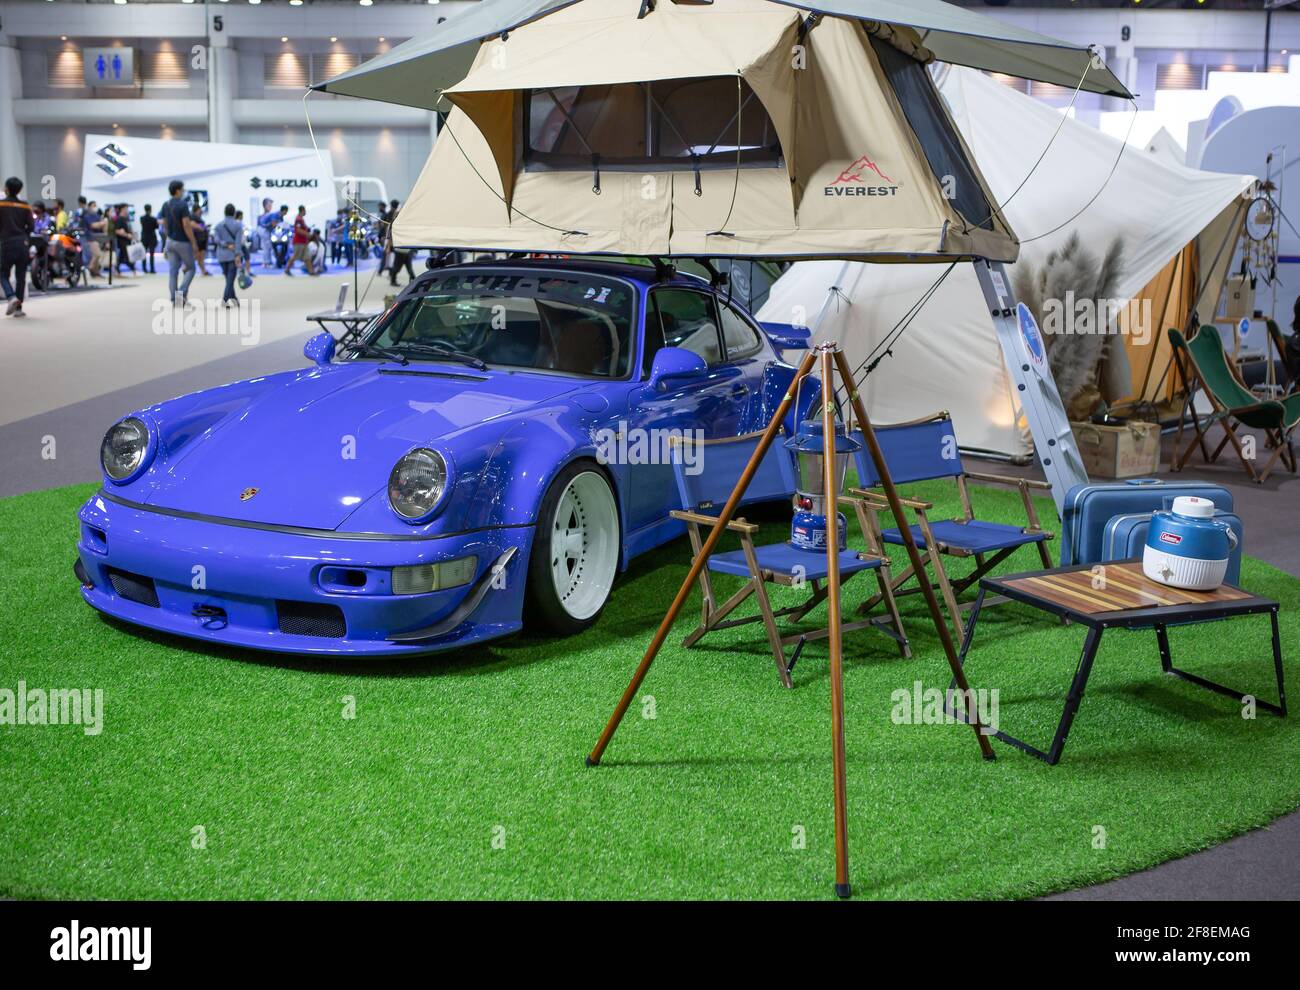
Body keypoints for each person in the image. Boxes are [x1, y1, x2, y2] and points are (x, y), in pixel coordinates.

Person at [160, 179, 198, 306]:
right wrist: (193, 242)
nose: (183, 191)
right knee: (191, 268)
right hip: (182, 242)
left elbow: (164, 224)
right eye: (182, 189)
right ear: (177, 190)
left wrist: (167, 239)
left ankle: (173, 299)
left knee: (173, 272)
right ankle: (181, 294)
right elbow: (186, 225)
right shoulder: (182, 205)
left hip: (170, 241)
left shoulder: (166, 204)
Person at [1, 176, 34, 318]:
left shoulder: (1, 205)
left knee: (2, 273)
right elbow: (31, 226)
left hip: (7, 243)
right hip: (23, 244)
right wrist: (24, 237)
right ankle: (19, 309)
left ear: (6, 189)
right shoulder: (26, 206)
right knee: (21, 276)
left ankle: (11, 296)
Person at [213, 203, 244, 306]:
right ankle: (225, 300)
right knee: (230, 280)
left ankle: (234, 298)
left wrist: (224, 244)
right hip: (232, 255)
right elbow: (238, 242)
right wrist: (238, 255)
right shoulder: (238, 225)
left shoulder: (218, 225)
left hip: (221, 255)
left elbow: (216, 239)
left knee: (228, 279)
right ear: (234, 213)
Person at [386, 199, 415, 288]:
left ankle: (413, 281)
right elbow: (390, 236)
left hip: (406, 247)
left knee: (408, 266)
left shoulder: (406, 223)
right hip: (400, 248)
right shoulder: (396, 224)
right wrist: (388, 247)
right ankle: (393, 280)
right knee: (398, 266)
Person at [284, 205, 313, 276]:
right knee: (295, 256)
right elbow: (298, 230)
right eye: (305, 210)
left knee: (307, 256)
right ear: (302, 210)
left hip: (304, 242)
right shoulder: (298, 219)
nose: (305, 212)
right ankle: (287, 269)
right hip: (298, 242)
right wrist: (307, 234)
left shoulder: (301, 219)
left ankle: (311, 271)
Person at [257, 197, 278, 268]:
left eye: (271, 205)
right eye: (269, 205)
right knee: (266, 248)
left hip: (267, 233)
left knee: (267, 248)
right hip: (264, 233)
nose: (270, 207)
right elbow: (272, 224)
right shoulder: (262, 216)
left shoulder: (269, 215)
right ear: (264, 206)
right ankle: (266, 262)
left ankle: (267, 262)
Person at [139, 203, 159, 274]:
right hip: (151, 237)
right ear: (150, 209)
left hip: (144, 237)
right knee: (151, 254)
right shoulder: (153, 219)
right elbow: (156, 227)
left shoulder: (141, 218)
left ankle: (144, 268)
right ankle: (152, 269)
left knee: (143, 254)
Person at [191, 205, 210, 275]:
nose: (201, 211)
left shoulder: (197, 217)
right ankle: (185, 267)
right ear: (197, 209)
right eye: (200, 209)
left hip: (201, 239)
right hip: (198, 239)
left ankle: (203, 270)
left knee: (200, 257)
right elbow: (191, 224)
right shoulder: (193, 216)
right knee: (197, 256)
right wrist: (201, 228)